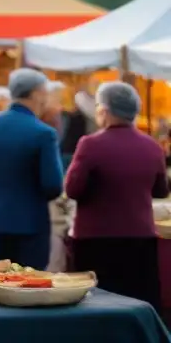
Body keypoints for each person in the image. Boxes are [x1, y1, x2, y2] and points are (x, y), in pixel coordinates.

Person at [65, 81, 167, 308]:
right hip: (140, 238)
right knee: (138, 302)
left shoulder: (90, 144)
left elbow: (73, 189)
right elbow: (161, 190)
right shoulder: (152, 147)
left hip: (96, 239)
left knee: (96, 306)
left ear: (104, 110)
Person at [0, 68, 63, 270]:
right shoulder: (43, 133)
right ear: (36, 94)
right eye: (44, 93)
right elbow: (53, 186)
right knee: (28, 286)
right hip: (31, 225)